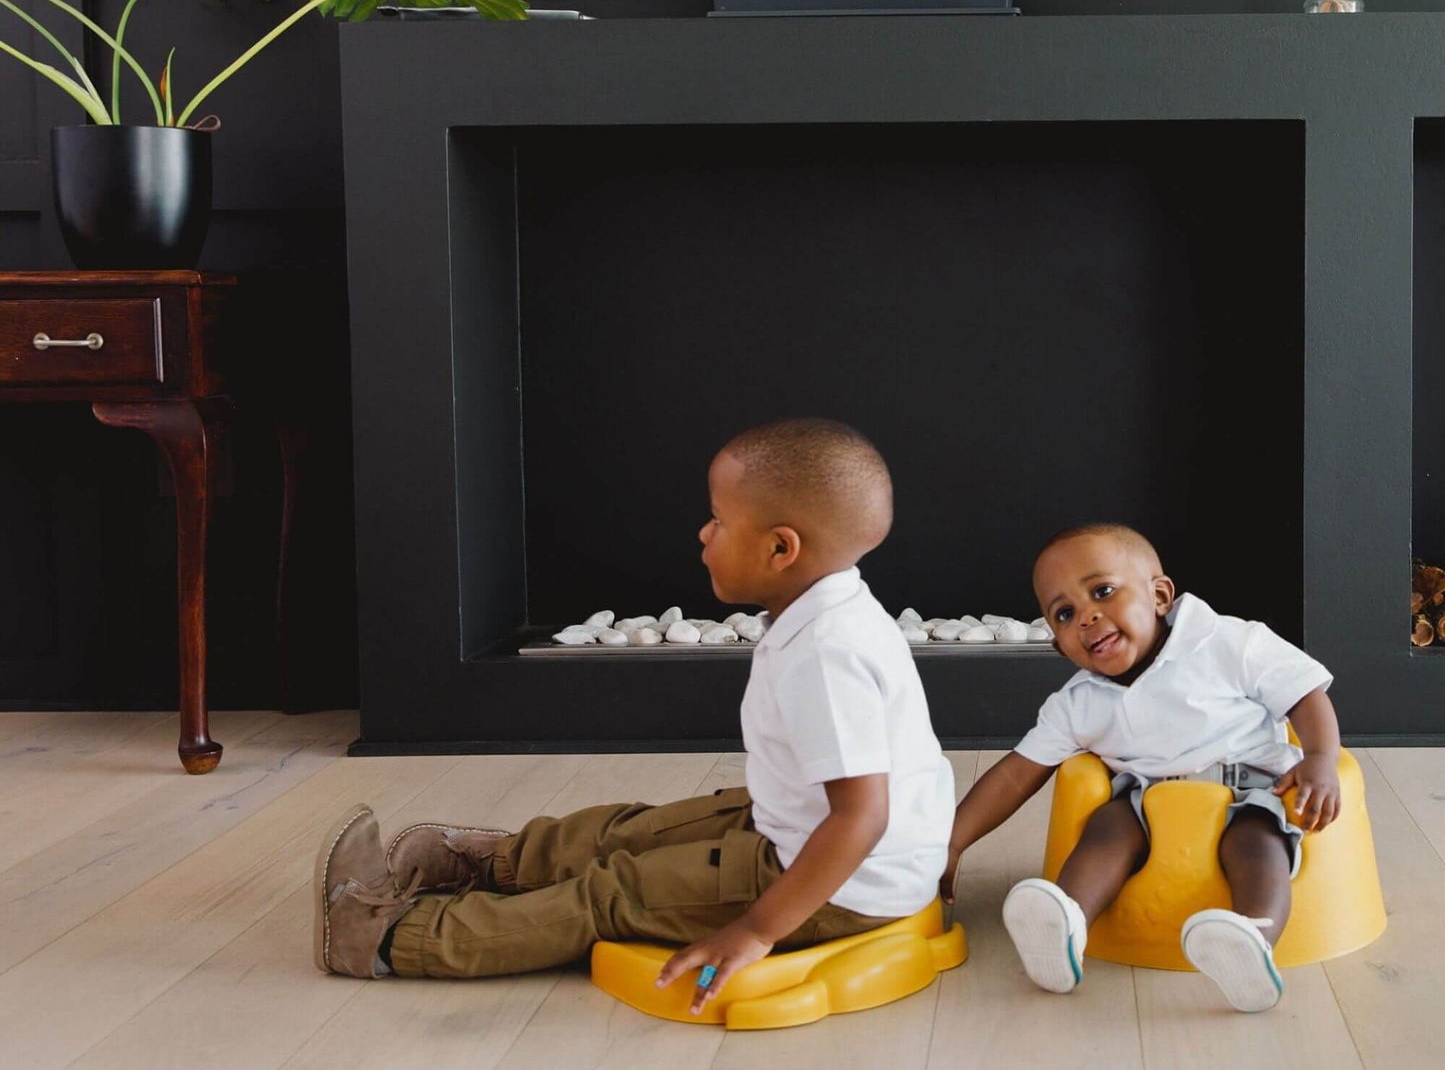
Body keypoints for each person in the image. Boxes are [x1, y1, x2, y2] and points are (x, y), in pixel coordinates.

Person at [314, 417, 956, 1014]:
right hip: (812, 835)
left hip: (842, 889)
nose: (704, 534)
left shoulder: (828, 653)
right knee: (635, 829)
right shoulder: (826, 607)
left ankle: (387, 938)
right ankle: (496, 865)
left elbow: (861, 816)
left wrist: (756, 930)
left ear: (781, 549)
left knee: (611, 893)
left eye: (718, 521)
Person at [939, 523, 1340, 1013]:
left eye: (1102, 591)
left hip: (1249, 789)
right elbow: (1017, 773)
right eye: (1064, 614)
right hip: (1146, 802)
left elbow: (1304, 693)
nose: (1087, 616)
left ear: (1159, 595)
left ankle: (1252, 938)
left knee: (1258, 847)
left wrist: (1321, 758)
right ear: (1057, 644)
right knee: (1105, 826)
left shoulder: (1227, 641)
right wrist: (952, 841)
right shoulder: (1077, 703)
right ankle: (1065, 922)